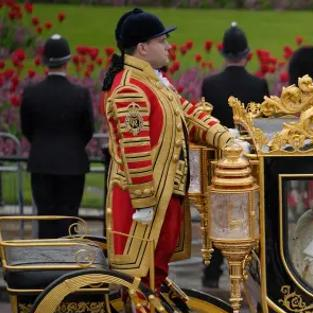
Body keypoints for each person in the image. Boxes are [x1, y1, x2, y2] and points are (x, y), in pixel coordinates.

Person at [103, 8, 237, 288]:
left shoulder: (153, 81)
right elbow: (135, 150)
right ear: (142, 48)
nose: (169, 46)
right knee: (143, 277)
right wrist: (144, 202)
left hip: (165, 196)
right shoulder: (131, 88)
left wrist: (224, 137)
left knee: (157, 272)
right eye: (162, 41)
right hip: (146, 202)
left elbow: (188, 113)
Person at [200, 22, 269, 289]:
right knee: (249, 215)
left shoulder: (210, 83)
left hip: (219, 163)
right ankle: (252, 272)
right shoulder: (258, 84)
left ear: (223, 53)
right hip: (248, 164)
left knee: (219, 217)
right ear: (247, 54)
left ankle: (211, 275)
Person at [20, 34, 94, 239]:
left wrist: (43, 145)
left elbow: (26, 128)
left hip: (42, 162)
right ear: (67, 61)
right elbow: (87, 129)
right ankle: (67, 264)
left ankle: (46, 265)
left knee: (45, 217)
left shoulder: (31, 93)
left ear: (45, 62)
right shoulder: (80, 94)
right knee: (69, 218)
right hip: (73, 164)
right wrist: (72, 146)